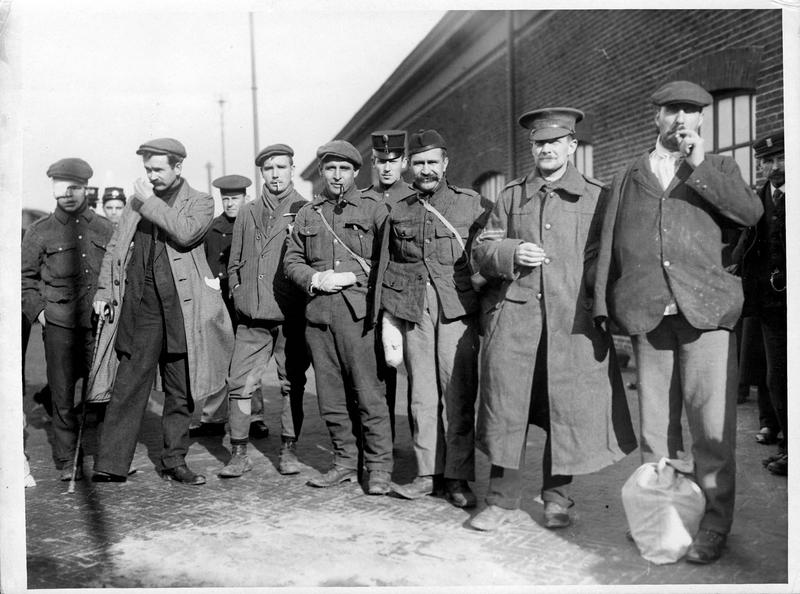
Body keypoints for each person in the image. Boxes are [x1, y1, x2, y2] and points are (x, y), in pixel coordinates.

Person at [594, 81, 763, 563]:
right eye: (673, 111)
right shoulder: (631, 172)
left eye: (691, 112)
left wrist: (700, 165)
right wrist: (608, 305)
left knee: (711, 431)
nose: (681, 120)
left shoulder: (718, 168)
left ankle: (713, 524)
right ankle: (661, 514)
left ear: (703, 120)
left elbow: (749, 214)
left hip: (706, 315)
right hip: (649, 314)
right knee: (656, 431)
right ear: (657, 117)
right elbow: (610, 241)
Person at [469, 108, 637, 531]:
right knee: (508, 409)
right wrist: (510, 252)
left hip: (572, 325)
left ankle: (557, 498)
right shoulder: (511, 195)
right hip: (516, 325)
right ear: (532, 148)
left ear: (571, 146)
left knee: (568, 410)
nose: (546, 149)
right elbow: (481, 248)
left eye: (555, 142)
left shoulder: (599, 195)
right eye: (539, 143)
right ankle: (501, 501)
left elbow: (612, 258)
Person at [89, 137, 234, 485]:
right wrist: (104, 290)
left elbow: (185, 234)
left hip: (183, 311)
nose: (151, 176)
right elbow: (116, 246)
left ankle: (174, 461)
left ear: (178, 167)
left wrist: (150, 202)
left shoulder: (200, 201)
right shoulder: (135, 202)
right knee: (127, 385)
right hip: (140, 307)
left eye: (158, 169)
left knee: (180, 390)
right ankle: (111, 464)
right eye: (147, 170)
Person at [376, 129, 489, 508]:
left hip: (456, 307)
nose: (426, 170)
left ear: (445, 164)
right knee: (421, 394)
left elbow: (488, 254)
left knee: (456, 393)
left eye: (432, 163)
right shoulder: (400, 209)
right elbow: (388, 263)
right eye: (420, 163)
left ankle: (457, 478)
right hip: (414, 308)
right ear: (410, 166)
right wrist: (389, 314)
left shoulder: (471, 204)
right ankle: (427, 474)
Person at [283, 139, 393, 495]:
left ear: (356, 173)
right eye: (330, 168)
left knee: (368, 395)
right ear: (322, 172)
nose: (336, 175)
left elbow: (389, 261)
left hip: (358, 318)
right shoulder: (308, 214)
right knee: (330, 398)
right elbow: (291, 261)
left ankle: (377, 467)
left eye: (344, 169)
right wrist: (314, 279)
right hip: (319, 319)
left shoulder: (375, 209)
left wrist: (354, 277)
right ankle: (344, 462)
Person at [218, 144, 311, 477]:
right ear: (262, 173)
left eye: (281, 167)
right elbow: (235, 262)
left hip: (290, 314)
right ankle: (239, 453)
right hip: (253, 316)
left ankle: (289, 450)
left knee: (291, 383)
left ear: (291, 168)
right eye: (268, 168)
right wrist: (240, 294)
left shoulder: (306, 209)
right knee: (239, 383)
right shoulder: (248, 210)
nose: (275, 175)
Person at [21, 158, 114, 480]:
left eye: (73, 188)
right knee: (61, 396)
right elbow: (26, 279)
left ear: (86, 187)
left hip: (98, 327)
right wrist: (41, 313)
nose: (67, 195)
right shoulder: (39, 231)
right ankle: (66, 462)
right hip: (58, 325)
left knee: (102, 394)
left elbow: (118, 274)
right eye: (60, 190)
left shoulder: (105, 227)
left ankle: (105, 459)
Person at [738, 131, 786, 476]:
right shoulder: (759, 198)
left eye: (780, 158)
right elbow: (746, 243)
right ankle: (786, 446)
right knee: (777, 376)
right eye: (767, 161)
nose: (773, 167)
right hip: (770, 304)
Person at [189, 174, 251, 438]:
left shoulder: (253, 226)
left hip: (246, 302)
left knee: (248, 359)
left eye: (234, 198)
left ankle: (254, 417)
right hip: (218, 302)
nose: (229, 203)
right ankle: (214, 417)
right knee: (217, 358)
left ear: (245, 199)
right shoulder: (212, 229)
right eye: (225, 198)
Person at [364, 129, 409, 440]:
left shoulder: (415, 197)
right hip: (371, 298)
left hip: (405, 295)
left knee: (418, 376)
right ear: (374, 162)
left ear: (403, 162)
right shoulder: (362, 199)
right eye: (381, 162)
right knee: (377, 374)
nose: (387, 168)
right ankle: (384, 442)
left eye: (393, 161)